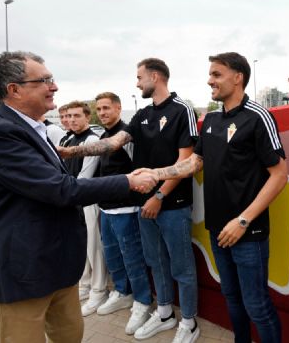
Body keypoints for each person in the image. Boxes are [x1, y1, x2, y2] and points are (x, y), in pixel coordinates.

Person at [0, 51, 157, 343]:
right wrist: (128, 182)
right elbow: (60, 189)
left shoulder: (34, 129)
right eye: (44, 80)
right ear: (15, 89)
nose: (54, 86)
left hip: (55, 268)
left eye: (52, 79)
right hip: (22, 274)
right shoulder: (0, 132)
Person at [133, 52, 288, 343]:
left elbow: (279, 174)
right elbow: (194, 163)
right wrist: (156, 173)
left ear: (238, 77)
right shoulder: (213, 119)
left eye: (216, 74)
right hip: (218, 230)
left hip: (247, 232)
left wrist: (243, 221)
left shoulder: (258, 116)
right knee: (232, 298)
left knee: (256, 304)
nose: (209, 81)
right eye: (210, 75)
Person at [62, 58, 200, 343]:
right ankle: (164, 313)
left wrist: (160, 196)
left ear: (156, 76)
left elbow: (185, 162)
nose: (136, 83)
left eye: (139, 78)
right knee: (155, 262)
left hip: (172, 205)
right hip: (144, 204)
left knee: (181, 267)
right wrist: (69, 152)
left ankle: (189, 321)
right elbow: (112, 143)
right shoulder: (144, 114)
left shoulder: (181, 109)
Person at [90, 92, 153, 336]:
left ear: (118, 108)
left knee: (132, 258)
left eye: (107, 108)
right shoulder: (103, 136)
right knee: (112, 256)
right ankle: (122, 293)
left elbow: (140, 171)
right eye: (99, 109)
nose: (103, 113)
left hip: (126, 210)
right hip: (105, 209)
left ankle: (143, 302)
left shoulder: (127, 136)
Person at [62, 101, 109, 316]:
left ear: (87, 118)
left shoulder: (92, 139)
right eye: (68, 116)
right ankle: (86, 284)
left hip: (87, 199)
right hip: (72, 198)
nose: (71, 120)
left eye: (76, 116)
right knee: (82, 246)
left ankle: (99, 290)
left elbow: (86, 173)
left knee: (94, 247)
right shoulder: (69, 138)